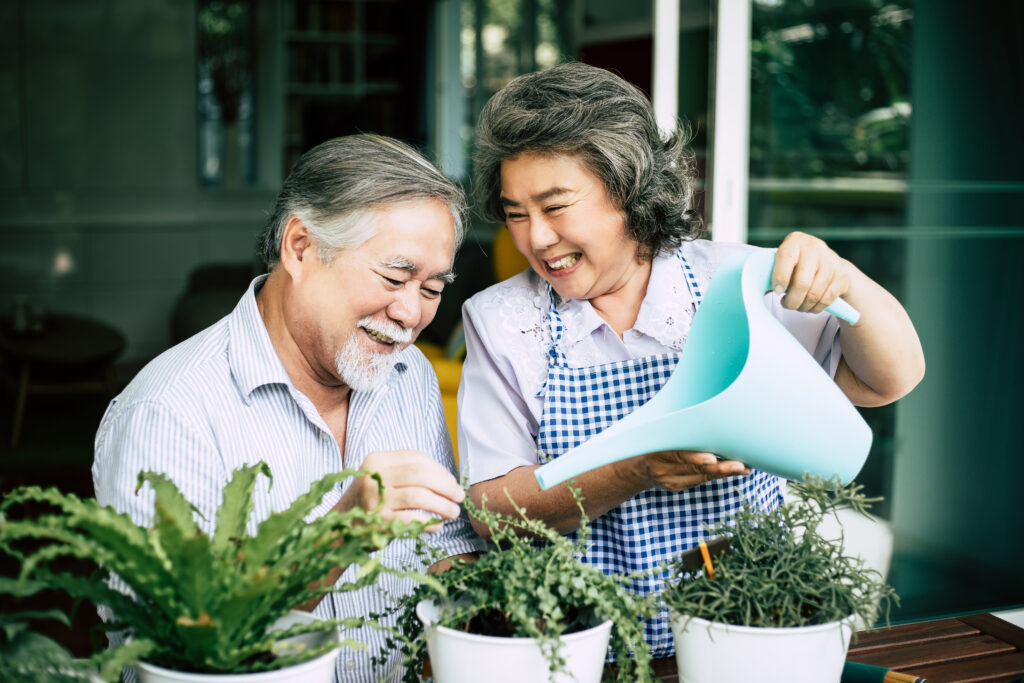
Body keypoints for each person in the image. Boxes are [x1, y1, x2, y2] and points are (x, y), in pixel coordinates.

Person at [458, 62, 925, 658]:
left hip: (745, 629)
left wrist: (847, 281)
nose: (536, 239)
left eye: (555, 206)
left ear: (626, 187)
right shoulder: (501, 321)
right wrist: (636, 468)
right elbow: (494, 510)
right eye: (516, 213)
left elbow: (888, 380)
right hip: (586, 649)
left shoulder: (735, 281)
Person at [92, 134, 486, 681]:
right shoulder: (167, 412)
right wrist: (339, 534)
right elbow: (169, 654)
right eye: (395, 277)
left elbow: (448, 546)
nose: (410, 313)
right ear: (300, 247)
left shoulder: (409, 374)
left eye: (433, 287)